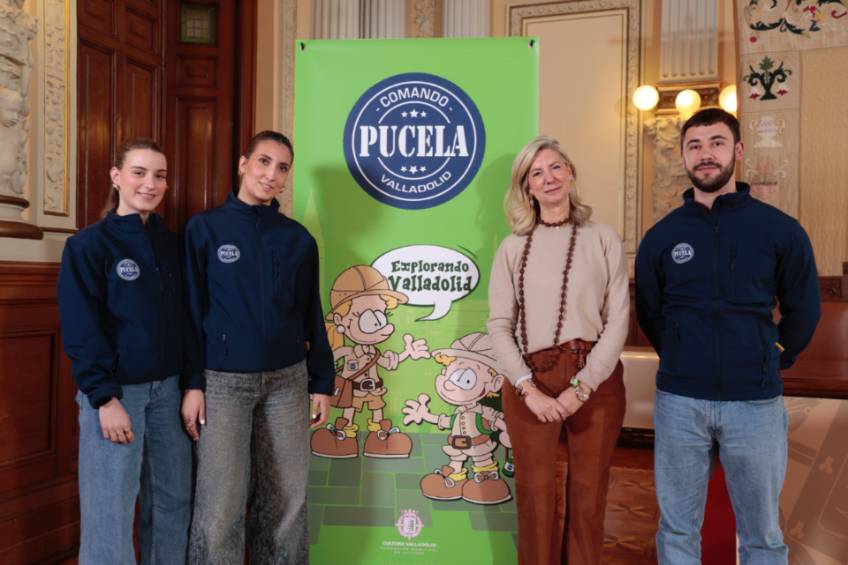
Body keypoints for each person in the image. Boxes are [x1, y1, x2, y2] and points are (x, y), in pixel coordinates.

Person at [635, 108, 821, 565]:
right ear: (683, 156)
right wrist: (680, 355)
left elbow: (804, 307)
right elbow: (650, 312)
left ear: (737, 150)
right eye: (694, 146)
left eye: (716, 143)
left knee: (763, 534)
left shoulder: (779, 229)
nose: (706, 154)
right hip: (679, 401)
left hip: (754, 402)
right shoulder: (661, 237)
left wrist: (773, 355)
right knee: (677, 531)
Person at [181, 130, 334, 563]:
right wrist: (192, 384)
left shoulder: (298, 240)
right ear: (243, 163)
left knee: (289, 498)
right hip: (221, 384)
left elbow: (311, 312)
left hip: (288, 381)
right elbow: (189, 313)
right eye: (264, 161)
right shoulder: (203, 229)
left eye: (282, 168)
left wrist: (321, 381)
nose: (271, 174)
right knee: (220, 503)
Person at [488, 135, 630, 564]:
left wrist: (582, 388)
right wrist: (528, 389)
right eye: (536, 173)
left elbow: (618, 320)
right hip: (531, 378)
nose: (548, 178)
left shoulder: (603, 238)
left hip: (596, 376)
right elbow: (499, 325)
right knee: (534, 495)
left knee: (589, 493)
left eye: (555, 167)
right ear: (527, 187)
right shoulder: (512, 248)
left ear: (570, 173)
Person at [57, 139, 191, 564]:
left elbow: (188, 322)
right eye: (139, 172)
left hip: (170, 393)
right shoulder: (87, 246)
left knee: (173, 503)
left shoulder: (175, 245)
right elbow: (81, 328)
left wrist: (192, 386)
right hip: (117, 395)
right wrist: (104, 397)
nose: (150, 183)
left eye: (160, 175)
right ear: (116, 177)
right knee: (110, 512)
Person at [310, 264, 429, 459]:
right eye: (369, 319)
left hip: (374, 390)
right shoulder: (346, 351)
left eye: (381, 317)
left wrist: (408, 353)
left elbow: (388, 362)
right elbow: (327, 363)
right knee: (348, 413)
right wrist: (317, 384)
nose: (380, 327)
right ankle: (344, 438)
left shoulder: (374, 352)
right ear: (340, 320)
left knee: (377, 413)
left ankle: (379, 439)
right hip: (352, 391)